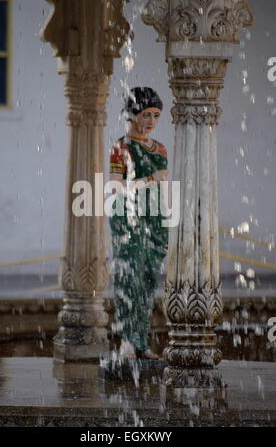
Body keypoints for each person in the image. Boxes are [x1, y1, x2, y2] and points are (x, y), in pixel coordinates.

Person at [109, 86, 169, 360]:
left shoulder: (160, 149)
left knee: (147, 282)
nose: (151, 121)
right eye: (146, 114)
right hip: (128, 219)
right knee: (129, 279)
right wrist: (150, 180)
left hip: (155, 219)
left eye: (156, 115)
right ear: (133, 115)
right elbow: (116, 187)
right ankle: (127, 343)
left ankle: (141, 341)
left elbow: (163, 188)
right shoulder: (121, 148)